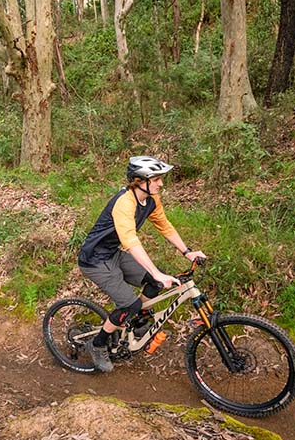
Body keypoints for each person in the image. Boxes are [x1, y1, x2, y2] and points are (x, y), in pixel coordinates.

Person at [78, 156, 207, 372]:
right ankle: (98, 344)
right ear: (140, 181)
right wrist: (156, 272)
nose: (161, 184)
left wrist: (187, 252)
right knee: (130, 304)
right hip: (95, 260)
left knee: (153, 284)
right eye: (156, 179)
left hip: (112, 253)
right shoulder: (124, 203)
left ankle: (138, 322)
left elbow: (165, 226)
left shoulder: (151, 200)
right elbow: (130, 242)